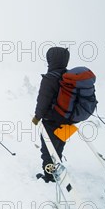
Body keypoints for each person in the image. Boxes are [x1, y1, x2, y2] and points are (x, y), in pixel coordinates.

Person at [32, 47, 71, 183]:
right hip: (69, 121)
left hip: (52, 121)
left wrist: (37, 117)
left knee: (48, 149)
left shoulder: (50, 78)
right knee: (59, 146)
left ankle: (49, 176)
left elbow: (43, 100)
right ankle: (57, 169)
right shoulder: (70, 76)